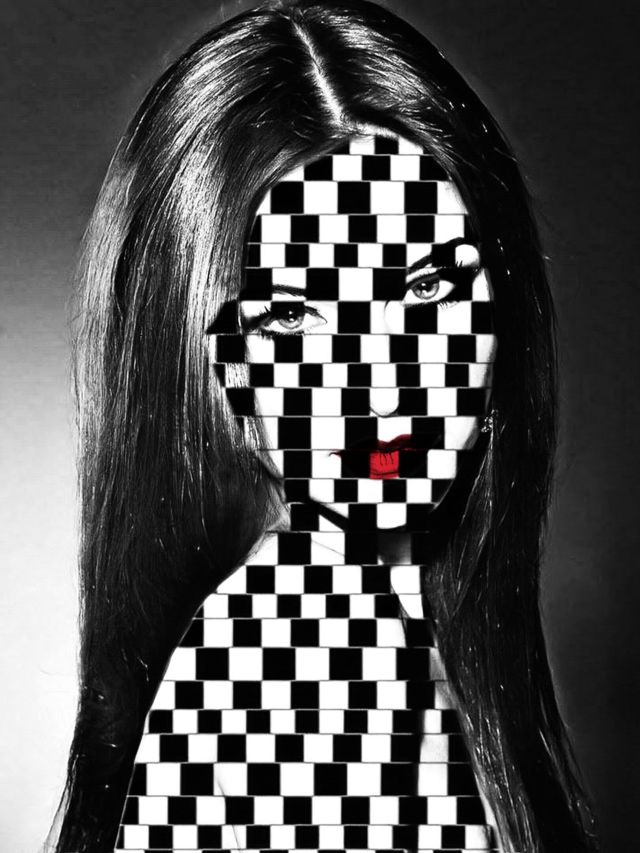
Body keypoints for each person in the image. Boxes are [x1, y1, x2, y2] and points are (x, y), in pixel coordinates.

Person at [48, 1, 599, 851]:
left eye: (423, 290)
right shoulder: (296, 664)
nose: (381, 382)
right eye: (295, 319)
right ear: (216, 366)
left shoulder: (372, 630)